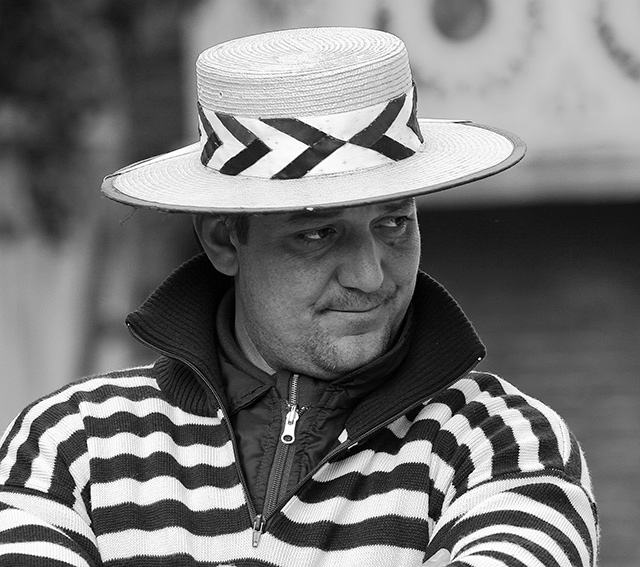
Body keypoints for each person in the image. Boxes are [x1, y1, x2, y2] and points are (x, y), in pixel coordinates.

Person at [0, 27, 598, 566]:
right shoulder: (68, 443)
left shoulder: (504, 444)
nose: (370, 276)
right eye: (317, 232)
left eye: (394, 224)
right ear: (222, 239)